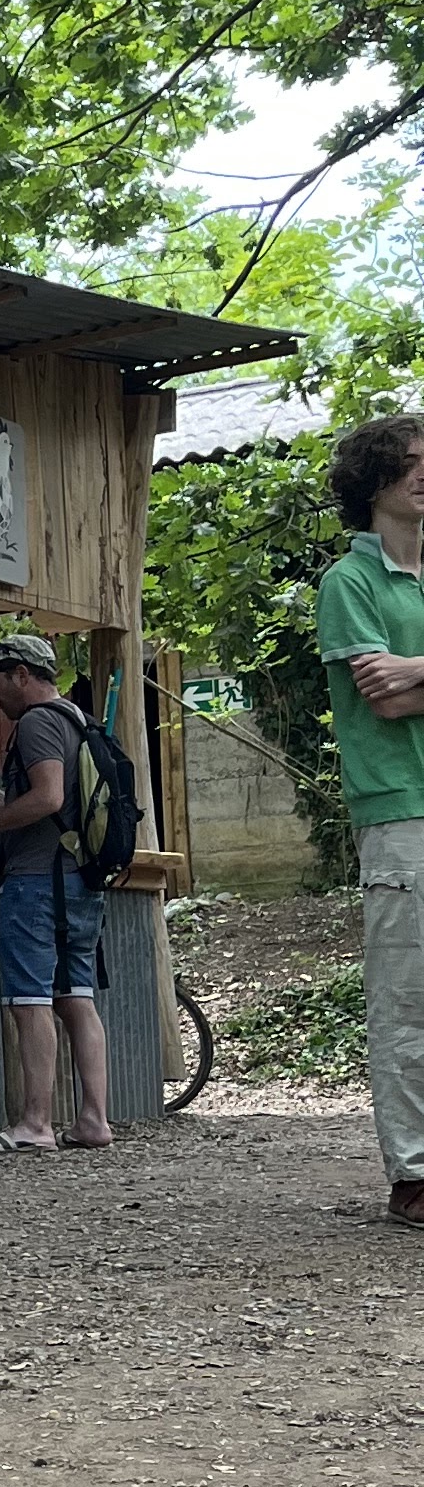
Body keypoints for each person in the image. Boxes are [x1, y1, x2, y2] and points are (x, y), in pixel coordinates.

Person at [313, 411, 424, 1226]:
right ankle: (415, 1175)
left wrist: (415, 666)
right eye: (409, 461)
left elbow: (403, 683)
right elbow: (383, 701)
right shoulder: (348, 582)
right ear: (373, 479)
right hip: (397, 809)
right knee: (407, 1000)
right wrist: (407, 683)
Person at [0, 631, 111, 1152]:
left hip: (37, 883)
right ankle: (93, 1121)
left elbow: (47, 799)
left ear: (21, 675)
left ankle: (35, 1124)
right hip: (79, 880)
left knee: (28, 1000)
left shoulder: (37, 722)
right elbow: (52, 805)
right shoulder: (77, 720)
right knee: (76, 998)